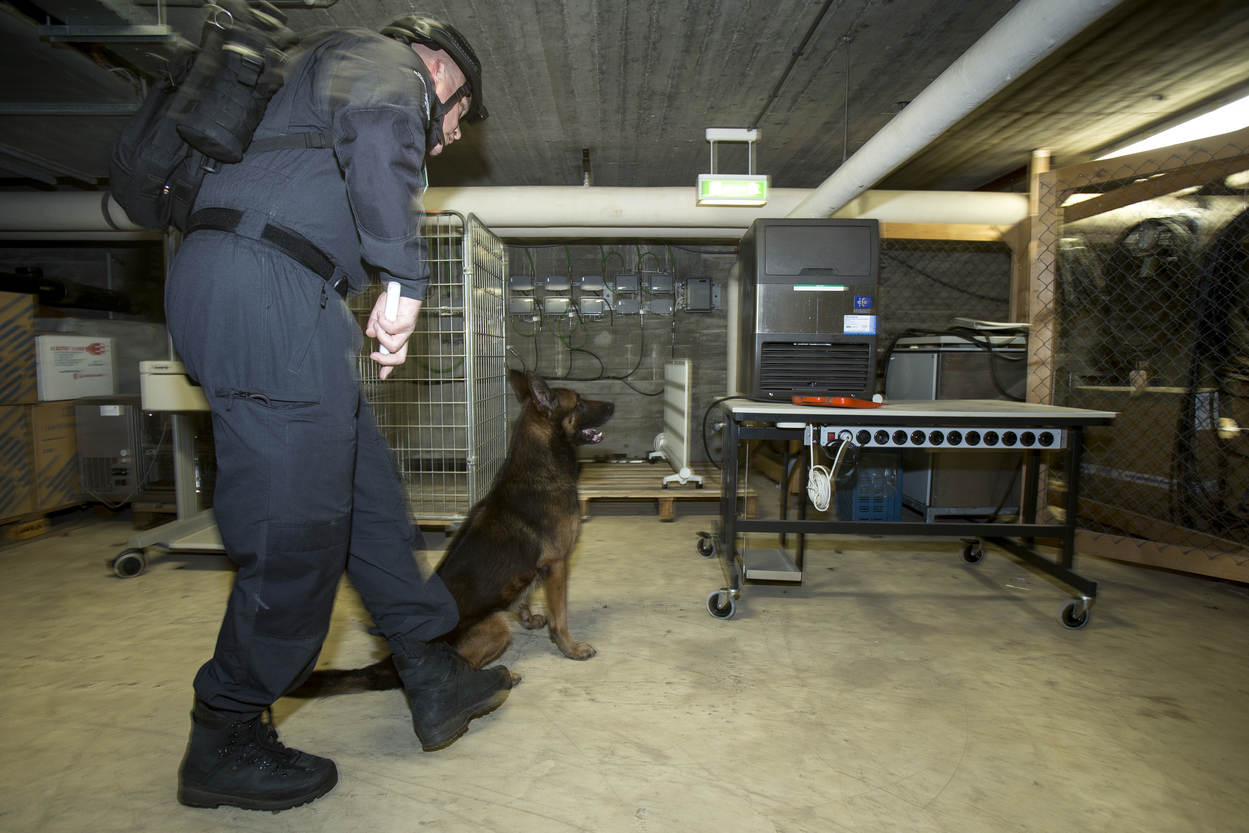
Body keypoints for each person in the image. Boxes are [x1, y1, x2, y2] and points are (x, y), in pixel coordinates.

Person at [164, 15, 512, 812]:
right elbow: (383, 120)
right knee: (297, 529)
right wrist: (404, 278)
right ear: (440, 68)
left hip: (280, 289)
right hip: (265, 287)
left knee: (365, 496)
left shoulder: (320, 82)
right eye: (460, 112)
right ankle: (224, 731)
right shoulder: (382, 61)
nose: (454, 132)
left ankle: (430, 669)